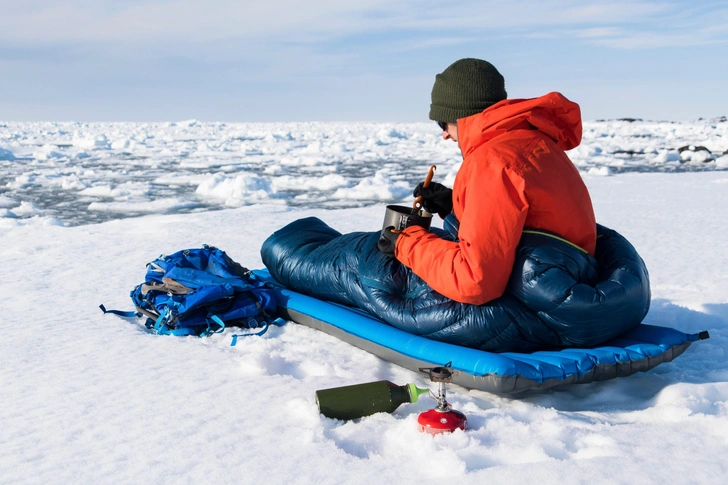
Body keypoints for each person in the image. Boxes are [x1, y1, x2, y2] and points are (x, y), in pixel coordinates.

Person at [378, 58, 597, 305]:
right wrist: (452, 206)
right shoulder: (530, 142)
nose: (444, 134)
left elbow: (475, 281)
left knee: (363, 264)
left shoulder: (493, 162)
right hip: (567, 280)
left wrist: (407, 242)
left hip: (546, 303)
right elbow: (526, 218)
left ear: (462, 116)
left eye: (444, 122)